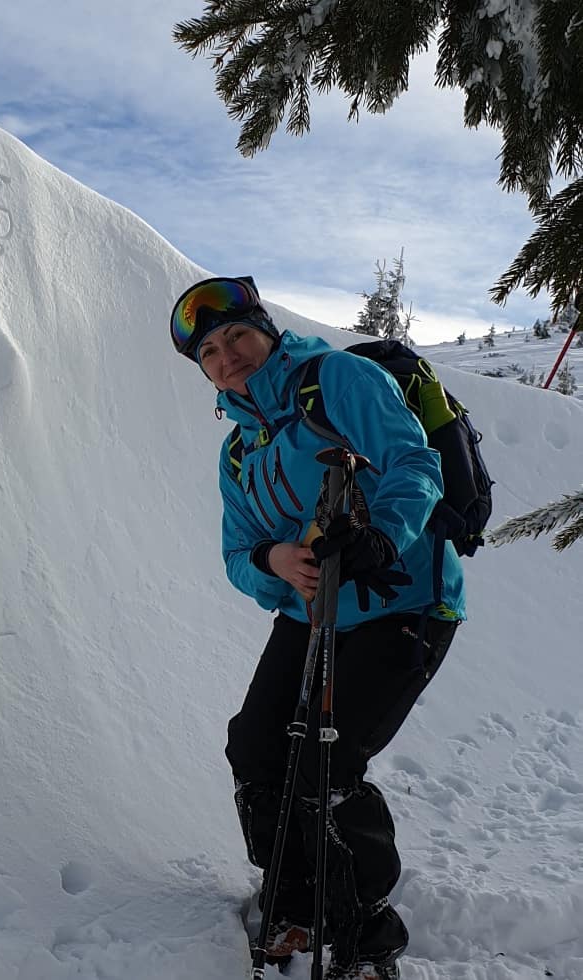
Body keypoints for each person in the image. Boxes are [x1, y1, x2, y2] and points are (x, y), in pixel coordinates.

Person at [169, 276, 464, 980]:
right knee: (259, 748)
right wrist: (276, 560)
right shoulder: (238, 451)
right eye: (209, 351)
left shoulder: (338, 381)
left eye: (237, 334)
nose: (228, 355)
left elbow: (414, 462)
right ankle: (295, 901)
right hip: (312, 611)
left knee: (329, 767)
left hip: (405, 603)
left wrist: (382, 537)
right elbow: (237, 555)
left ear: (266, 331)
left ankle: (365, 935)